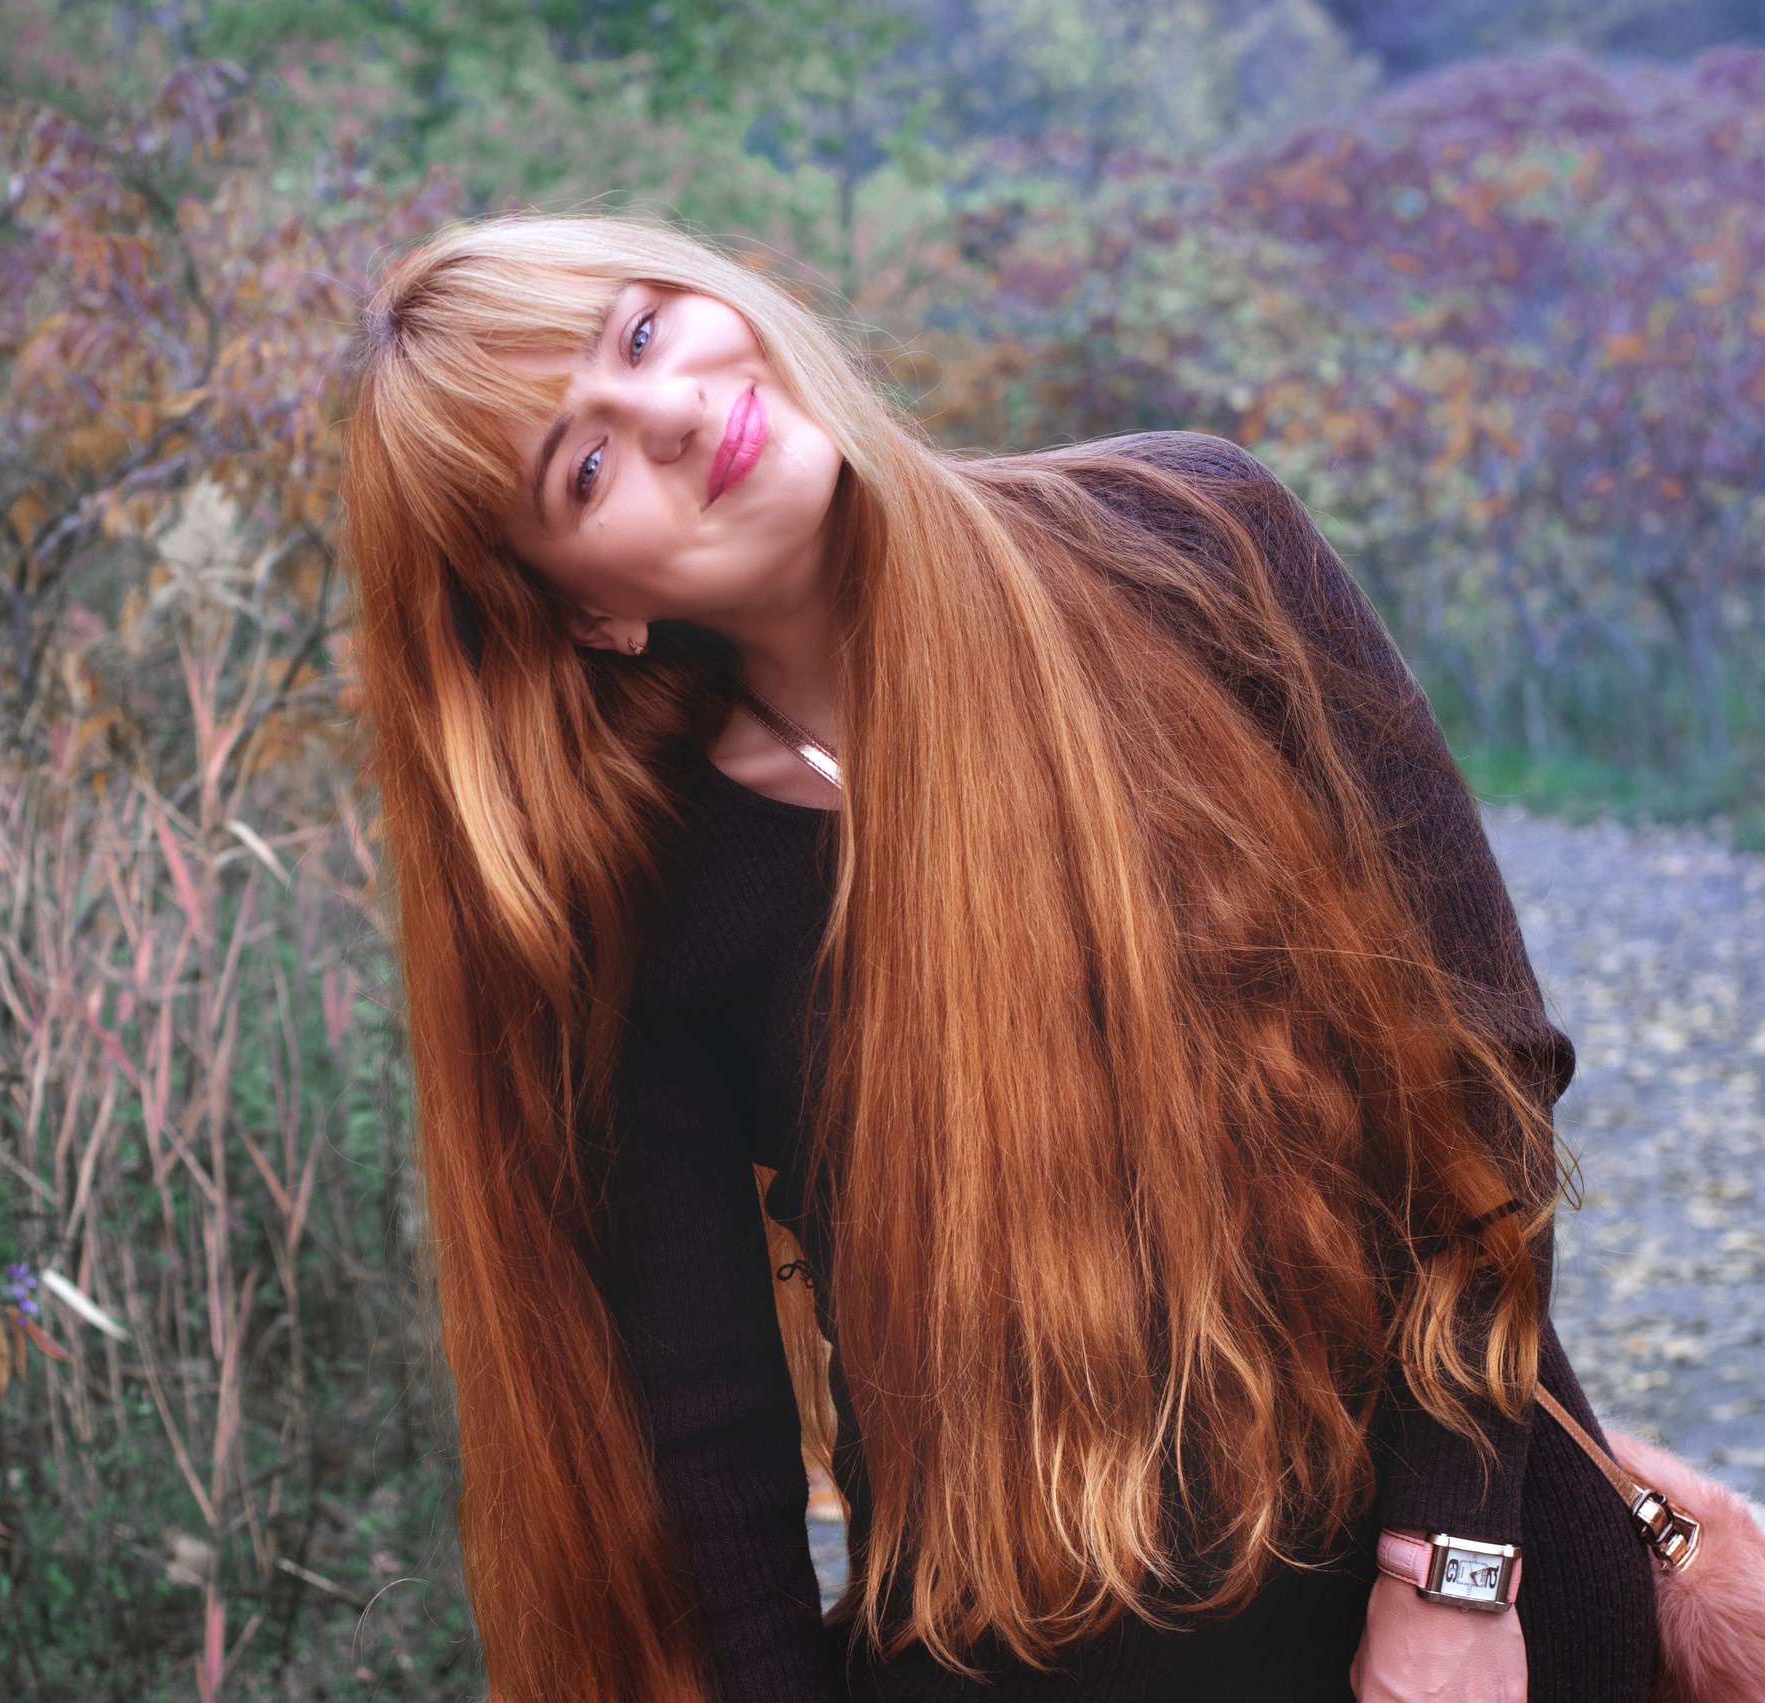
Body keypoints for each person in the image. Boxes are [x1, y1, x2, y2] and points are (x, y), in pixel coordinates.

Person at [338, 215, 1658, 1703]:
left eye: (639, 334)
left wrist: (1456, 1577)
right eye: (582, 468)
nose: (673, 412)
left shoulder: (1195, 540)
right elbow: (713, 1472)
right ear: (592, 610)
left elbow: (1480, 1076)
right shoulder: (663, 908)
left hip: (1472, 1626)